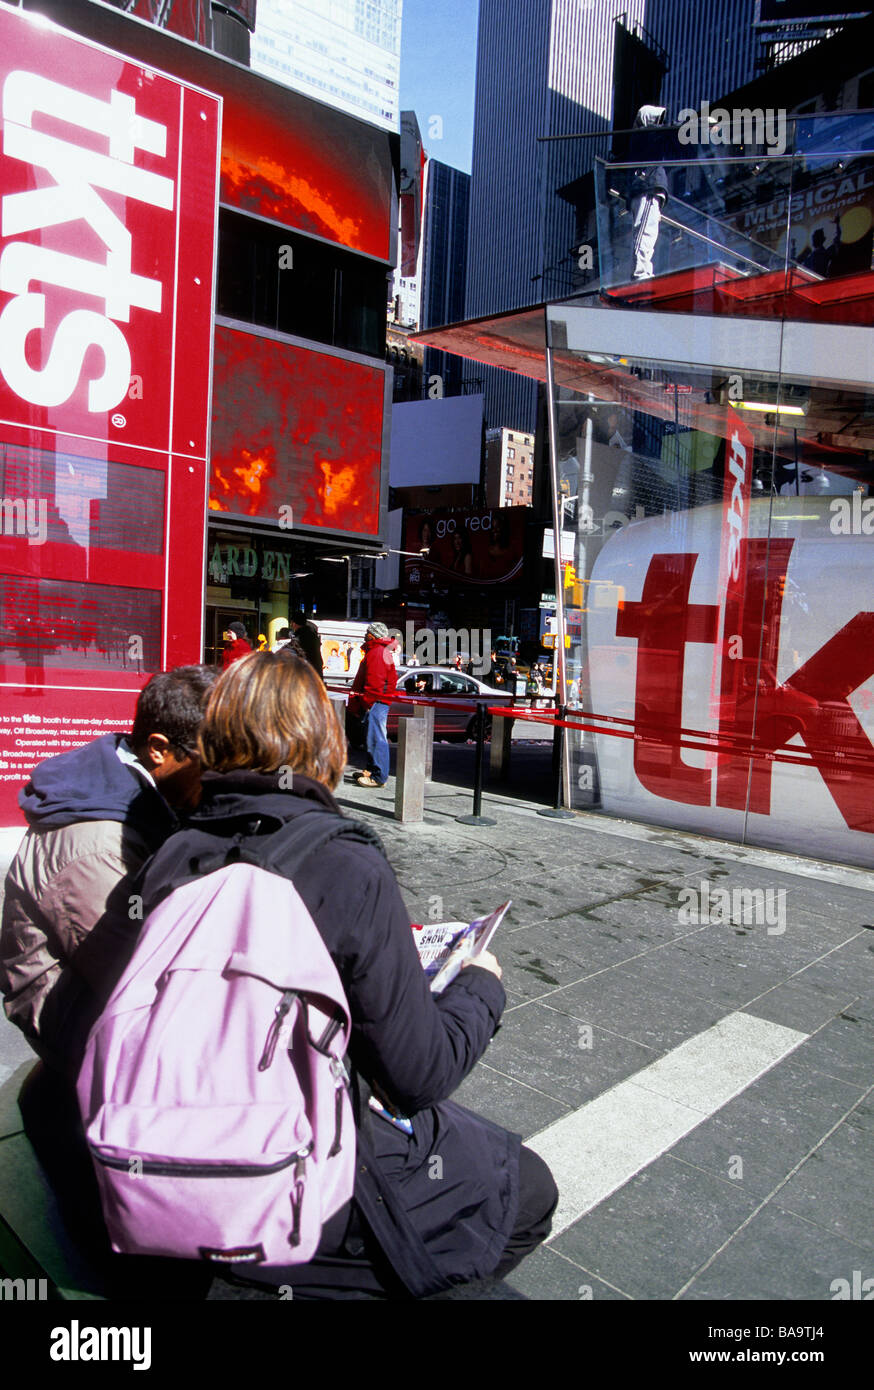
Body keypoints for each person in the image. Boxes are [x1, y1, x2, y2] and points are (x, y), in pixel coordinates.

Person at [139, 652, 558, 1298]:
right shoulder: (344, 862)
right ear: (322, 742)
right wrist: (482, 984)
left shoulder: (172, 855)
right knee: (527, 1187)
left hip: (181, 1141)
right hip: (304, 1168)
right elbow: (420, 1073)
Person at [1, 665, 216, 1077]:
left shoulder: (142, 786)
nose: (223, 777)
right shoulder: (96, 850)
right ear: (158, 749)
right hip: (80, 1026)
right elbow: (138, 974)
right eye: (213, 762)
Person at [348, 621, 397, 788]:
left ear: (372, 635)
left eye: (367, 632)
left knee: (376, 738)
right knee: (372, 738)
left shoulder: (377, 652)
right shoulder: (379, 651)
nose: (365, 635)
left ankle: (378, 776)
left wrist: (367, 703)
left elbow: (375, 682)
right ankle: (371, 771)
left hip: (375, 702)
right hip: (377, 701)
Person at [628, 104, 671, 280]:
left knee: (649, 233)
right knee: (644, 231)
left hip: (652, 189)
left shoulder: (649, 137)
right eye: (656, 119)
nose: (659, 123)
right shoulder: (645, 135)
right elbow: (666, 131)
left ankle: (644, 270)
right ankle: (639, 272)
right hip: (647, 188)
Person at [289, 610, 324, 680]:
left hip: (307, 676)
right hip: (317, 672)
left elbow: (289, 650)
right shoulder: (312, 634)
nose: (291, 625)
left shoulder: (300, 637)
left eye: (291, 623)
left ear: (294, 624)